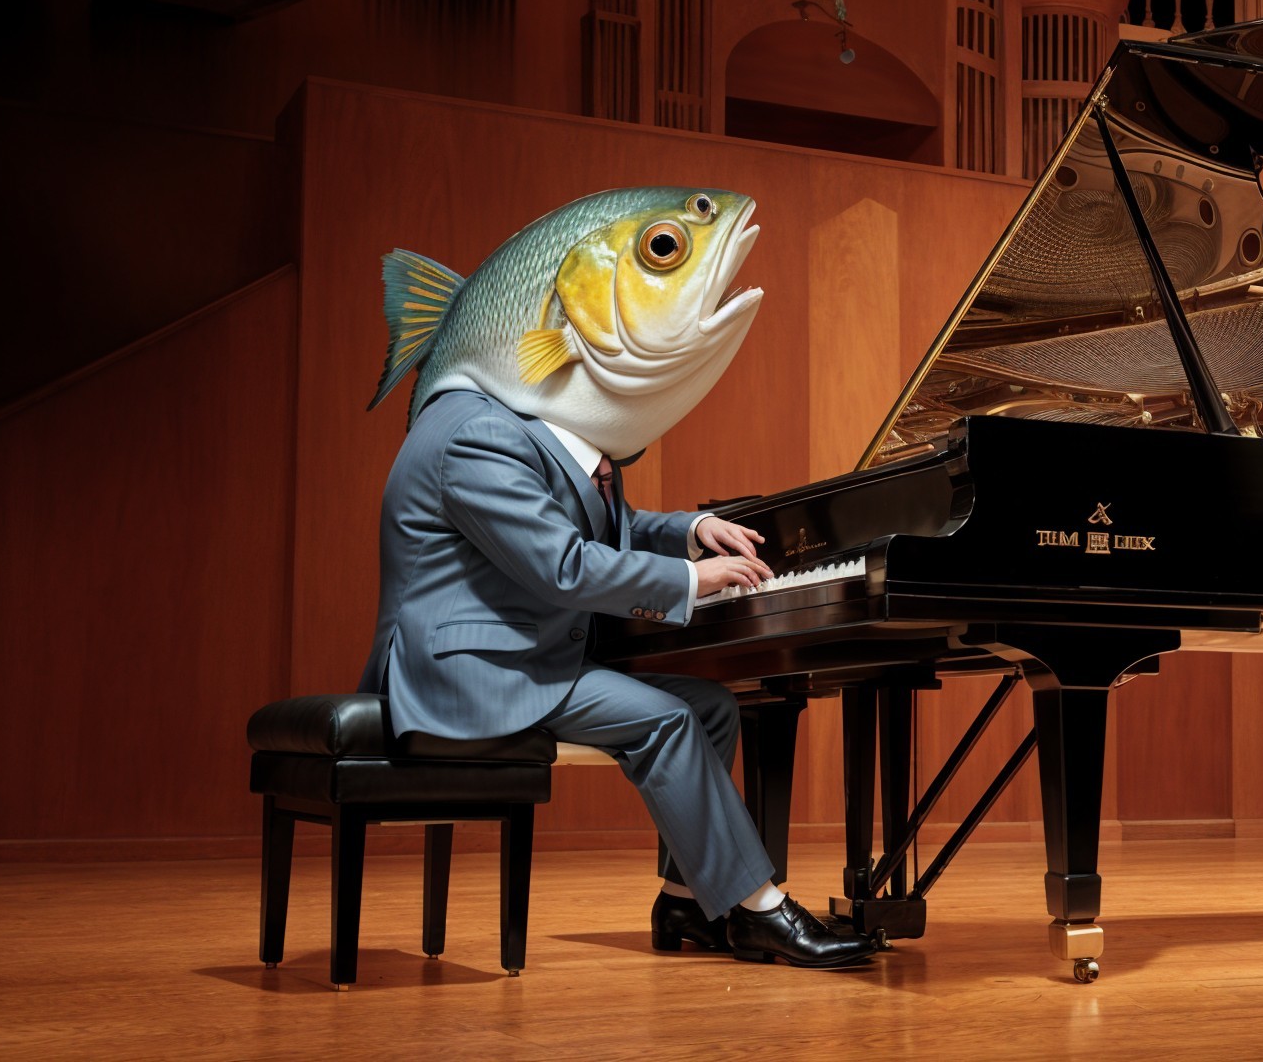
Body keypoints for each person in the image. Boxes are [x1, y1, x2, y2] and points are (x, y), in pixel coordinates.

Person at [358, 186, 877, 968]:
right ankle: (758, 907)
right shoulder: (471, 436)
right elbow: (562, 563)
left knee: (707, 709)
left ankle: (686, 907)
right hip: (472, 672)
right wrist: (693, 582)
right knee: (663, 721)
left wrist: (691, 529)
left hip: (520, 656)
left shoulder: (516, 431)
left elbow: (599, 529)